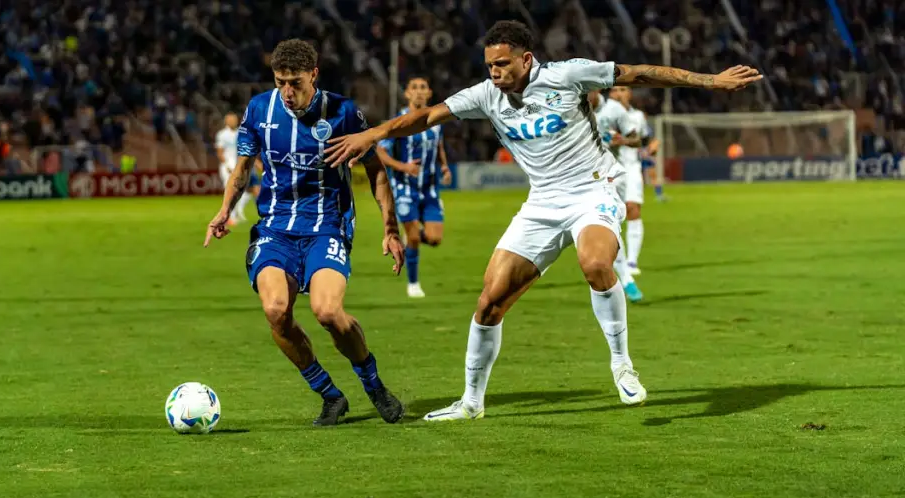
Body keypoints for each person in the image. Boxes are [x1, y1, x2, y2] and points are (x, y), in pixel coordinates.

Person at [325, 21, 760, 420]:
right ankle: (471, 402)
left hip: (593, 190)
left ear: (526, 58)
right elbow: (423, 117)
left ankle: (621, 364)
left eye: (501, 64)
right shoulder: (484, 95)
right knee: (489, 301)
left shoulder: (567, 75)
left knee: (594, 264)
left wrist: (710, 81)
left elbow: (638, 73)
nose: (494, 72)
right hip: (542, 203)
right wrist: (374, 133)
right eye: (489, 65)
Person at [203, 39, 407, 426]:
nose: (287, 91)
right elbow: (243, 168)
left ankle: (374, 384)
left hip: (326, 226)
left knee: (328, 312)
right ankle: (330, 396)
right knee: (276, 311)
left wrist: (390, 229)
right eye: (280, 81)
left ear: (314, 75)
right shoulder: (260, 110)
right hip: (275, 229)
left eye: (295, 82)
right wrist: (224, 210)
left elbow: (376, 171)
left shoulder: (344, 113)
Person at [375, 75, 453, 298]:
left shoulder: (436, 120)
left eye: (423, 87)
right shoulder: (399, 121)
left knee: (435, 239)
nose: (419, 91)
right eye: (414, 88)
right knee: (415, 238)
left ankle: (412, 239)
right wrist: (402, 166)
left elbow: (438, 146)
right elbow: (380, 151)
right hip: (405, 189)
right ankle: (413, 284)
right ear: (407, 93)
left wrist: (445, 167)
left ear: (429, 93)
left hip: (429, 190)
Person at [588, 90, 643, 302]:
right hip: (580, 177)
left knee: (607, 228)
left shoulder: (614, 109)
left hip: (611, 178)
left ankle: (626, 279)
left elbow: (637, 140)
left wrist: (622, 140)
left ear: (594, 90)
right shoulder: (572, 108)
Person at [608, 86, 651, 274]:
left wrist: (650, 146)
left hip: (632, 167)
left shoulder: (638, 116)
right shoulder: (601, 113)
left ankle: (632, 262)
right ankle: (616, 260)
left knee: (633, 209)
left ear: (629, 94)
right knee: (610, 214)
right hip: (607, 169)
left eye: (623, 89)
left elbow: (645, 139)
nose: (619, 93)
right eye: (615, 89)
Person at [215, 113, 257, 225]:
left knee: (242, 189)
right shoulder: (222, 134)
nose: (233, 121)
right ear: (226, 121)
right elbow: (220, 152)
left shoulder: (241, 132)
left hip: (240, 164)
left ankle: (234, 213)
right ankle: (229, 217)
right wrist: (227, 165)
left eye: (234, 119)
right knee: (230, 190)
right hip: (228, 164)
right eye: (230, 120)